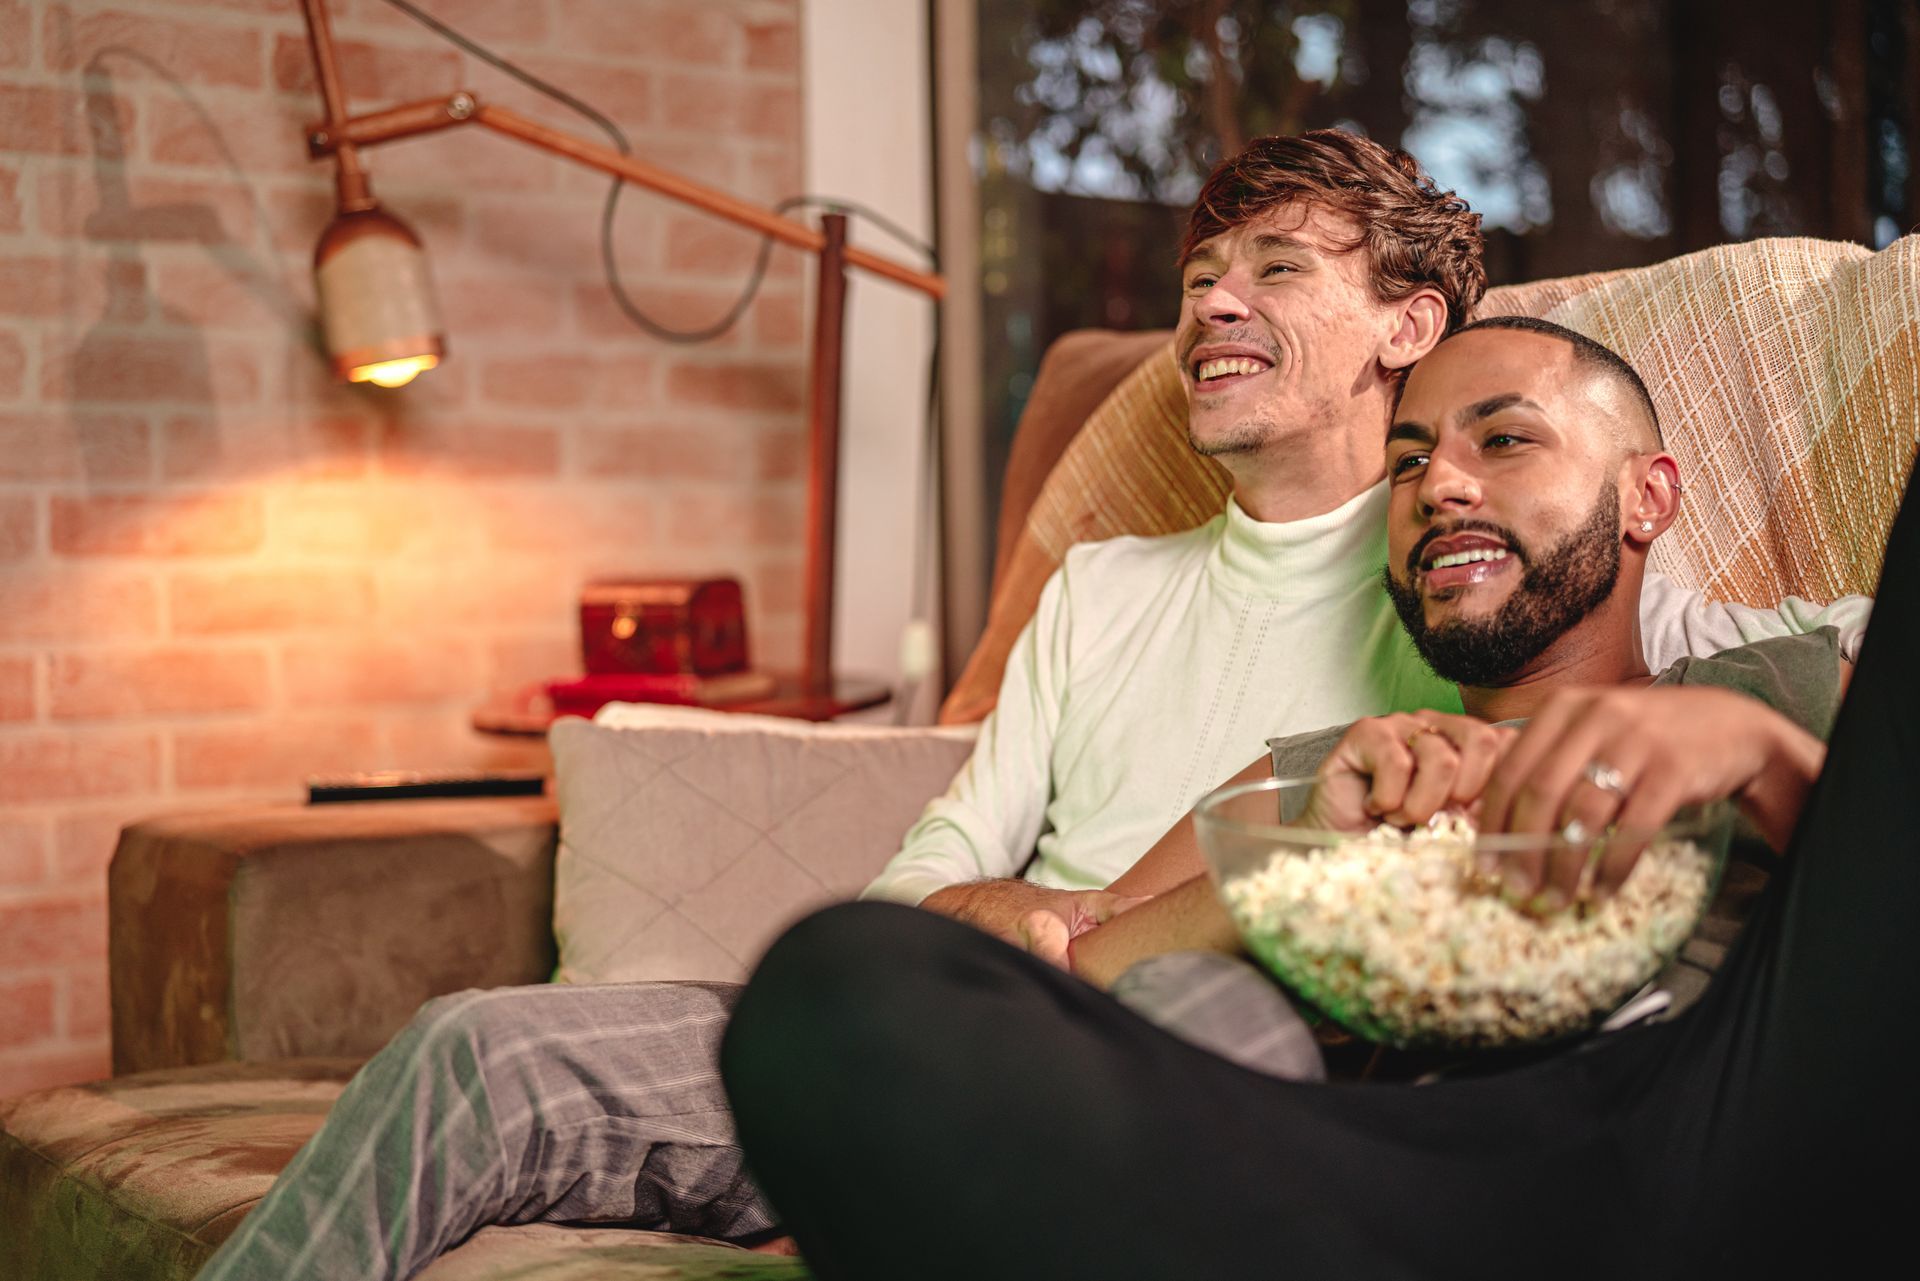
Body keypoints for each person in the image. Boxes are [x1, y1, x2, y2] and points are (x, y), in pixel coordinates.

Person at [195, 134, 1866, 1280]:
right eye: (1203, 272)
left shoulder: (1589, 610)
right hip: (1009, 1003)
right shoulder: (1181, 617)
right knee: (486, 1045)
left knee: (1206, 1027)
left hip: (1268, 1059)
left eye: (1275, 268)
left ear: (1406, 331)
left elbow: (1687, 671)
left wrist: (1747, 733)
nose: (1210, 304)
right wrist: (1015, 930)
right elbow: (969, 891)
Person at [718, 321, 1913, 1280]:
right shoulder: (1331, 767)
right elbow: (1070, 973)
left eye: (1503, 443)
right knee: (834, 983)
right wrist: (1303, 855)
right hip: (1410, 1171)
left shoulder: (1786, 678)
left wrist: (1758, 756)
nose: (1438, 484)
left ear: (1648, 498)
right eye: (1407, 461)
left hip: (1745, 1106)